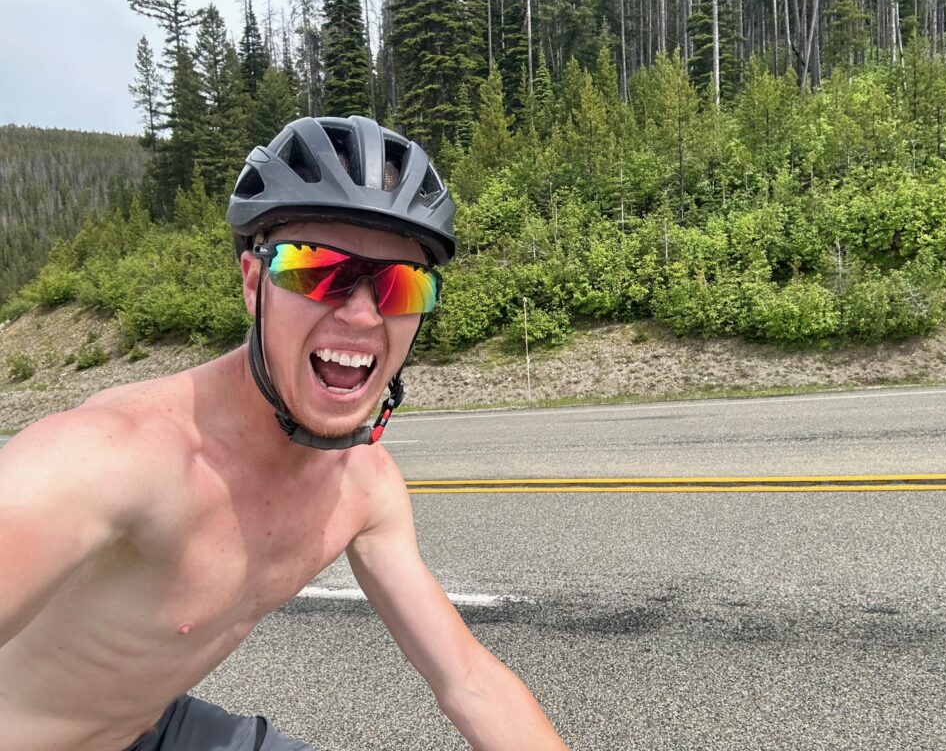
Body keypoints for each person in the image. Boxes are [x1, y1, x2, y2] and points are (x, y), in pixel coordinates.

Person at [0, 116, 568, 751]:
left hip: (154, 727)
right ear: (253, 283)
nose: (360, 312)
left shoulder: (366, 488)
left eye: (399, 283)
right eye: (317, 269)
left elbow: (467, 680)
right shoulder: (111, 458)